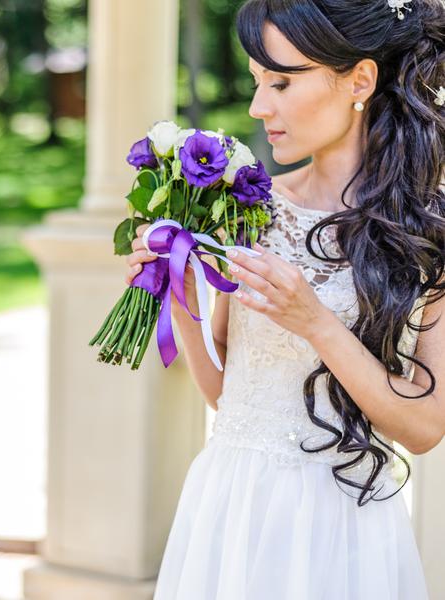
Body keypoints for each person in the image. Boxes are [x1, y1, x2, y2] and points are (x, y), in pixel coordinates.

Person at [124, 0, 445, 597]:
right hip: (231, 504)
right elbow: (229, 394)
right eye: (255, 83)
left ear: (360, 80)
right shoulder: (253, 209)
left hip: (343, 518)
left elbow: (425, 428)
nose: (257, 106)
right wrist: (182, 301)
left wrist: (317, 323)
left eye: (281, 81)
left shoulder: (425, 231)